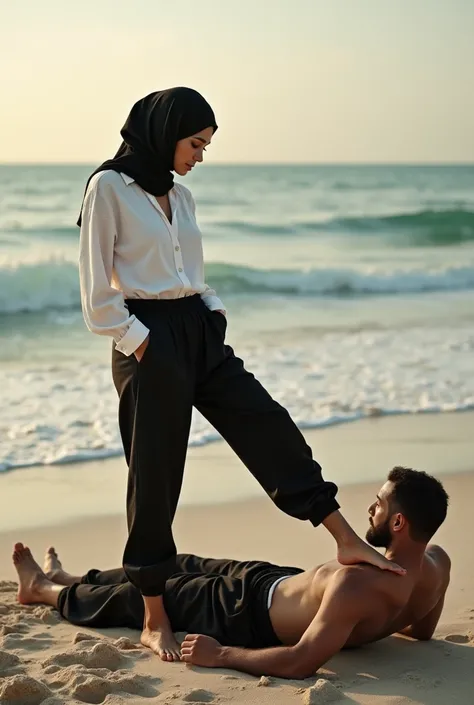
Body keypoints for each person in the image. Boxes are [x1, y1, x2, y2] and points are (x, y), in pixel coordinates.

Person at [77, 86, 404, 662]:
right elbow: (96, 293)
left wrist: (212, 309)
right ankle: (154, 616)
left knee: (266, 423)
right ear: (164, 132)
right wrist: (142, 344)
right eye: (195, 143)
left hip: (196, 331)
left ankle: (345, 538)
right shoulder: (108, 187)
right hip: (146, 340)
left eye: (205, 146)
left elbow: (188, 271)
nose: (200, 155)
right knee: (156, 475)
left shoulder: (181, 196)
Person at [13, 468, 449, 677]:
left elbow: (301, 662)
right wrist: (361, 623)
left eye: (379, 503)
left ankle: (44, 589)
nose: (370, 508)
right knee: (179, 563)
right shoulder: (437, 565)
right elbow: (421, 632)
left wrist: (220, 655)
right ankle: (75, 578)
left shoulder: (358, 585)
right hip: (273, 580)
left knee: (143, 595)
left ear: (398, 524)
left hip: (243, 614)